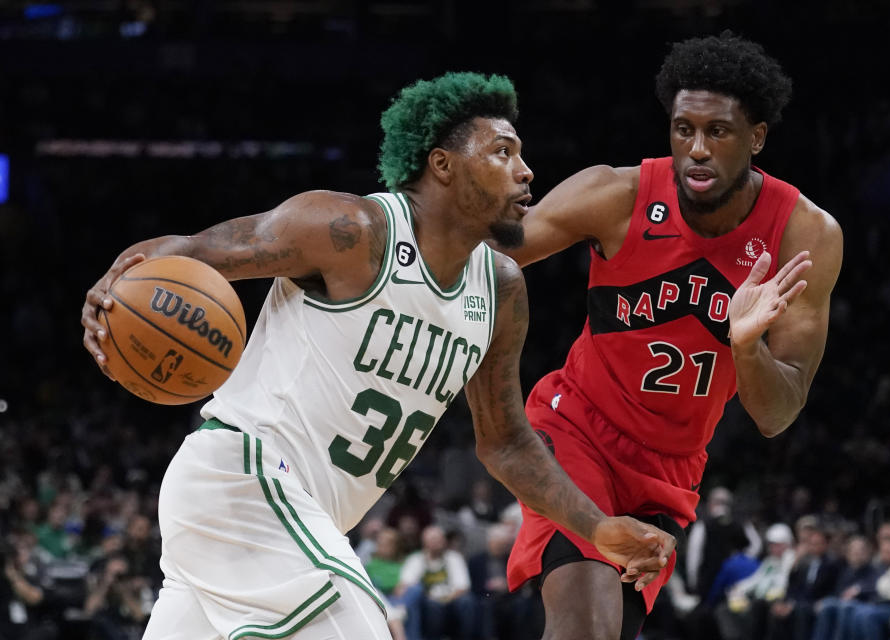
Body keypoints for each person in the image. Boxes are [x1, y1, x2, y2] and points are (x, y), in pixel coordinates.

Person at [80, 72, 675, 640]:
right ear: (442, 165)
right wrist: (114, 287)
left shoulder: (501, 287)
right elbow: (187, 255)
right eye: (502, 152)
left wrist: (595, 527)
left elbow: (508, 443)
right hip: (244, 480)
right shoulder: (350, 230)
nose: (526, 172)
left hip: (290, 519)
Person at [501, 32, 844, 640]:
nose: (697, 150)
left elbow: (778, 414)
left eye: (719, 132)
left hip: (668, 471)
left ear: (757, 137)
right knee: (584, 627)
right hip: (575, 426)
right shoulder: (618, 194)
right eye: (684, 128)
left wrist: (747, 349)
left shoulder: (805, 235)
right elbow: (490, 258)